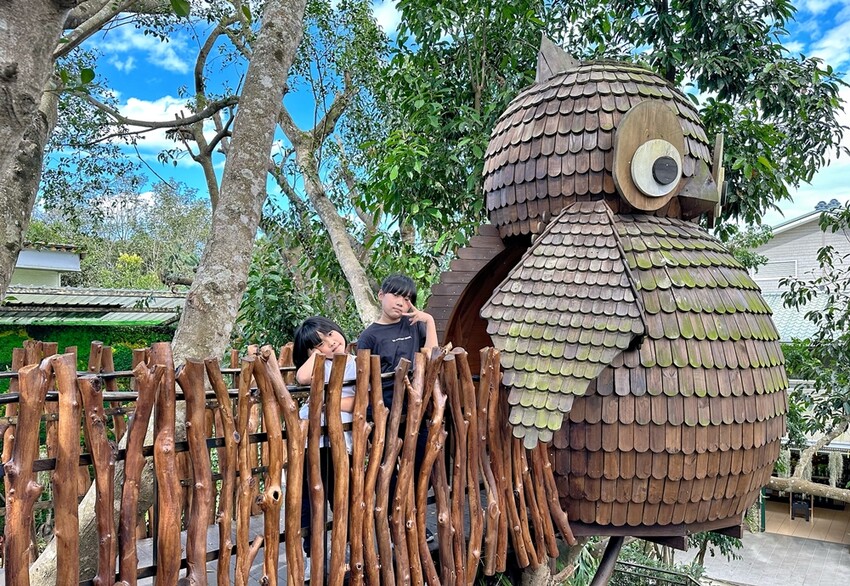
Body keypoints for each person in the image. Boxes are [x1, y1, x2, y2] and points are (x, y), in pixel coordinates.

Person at [292, 316, 359, 565]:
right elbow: (301, 377)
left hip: (341, 443)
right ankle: (313, 553)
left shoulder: (356, 363)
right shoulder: (321, 366)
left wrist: (325, 401)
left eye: (330, 334)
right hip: (311, 444)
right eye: (319, 343)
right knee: (309, 499)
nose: (330, 342)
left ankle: (349, 548)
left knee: (343, 496)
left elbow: (358, 402)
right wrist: (317, 356)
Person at [356, 273, 438, 407]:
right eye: (395, 295)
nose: (400, 303)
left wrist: (429, 321)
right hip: (384, 404)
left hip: (417, 400)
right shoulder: (368, 336)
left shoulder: (414, 324)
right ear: (381, 295)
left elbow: (432, 357)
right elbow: (363, 379)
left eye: (406, 299)